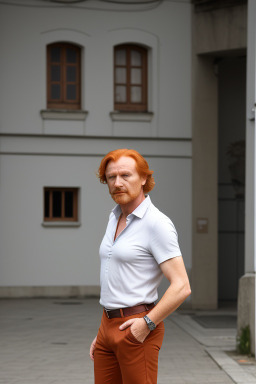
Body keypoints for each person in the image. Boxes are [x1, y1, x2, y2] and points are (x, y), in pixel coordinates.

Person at [90, 148, 191, 384]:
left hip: (137, 327)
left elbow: (182, 286)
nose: (117, 183)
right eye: (111, 177)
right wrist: (104, 332)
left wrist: (146, 325)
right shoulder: (114, 217)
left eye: (126, 175)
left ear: (144, 178)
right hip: (107, 326)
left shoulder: (157, 224)